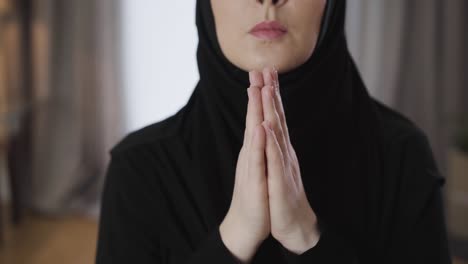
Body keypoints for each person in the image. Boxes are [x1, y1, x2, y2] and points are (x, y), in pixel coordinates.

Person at [95, 1, 452, 263]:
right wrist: (234, 235)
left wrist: (304, 234)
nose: (268, 0)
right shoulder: (139, 169)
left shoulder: (402, 157)